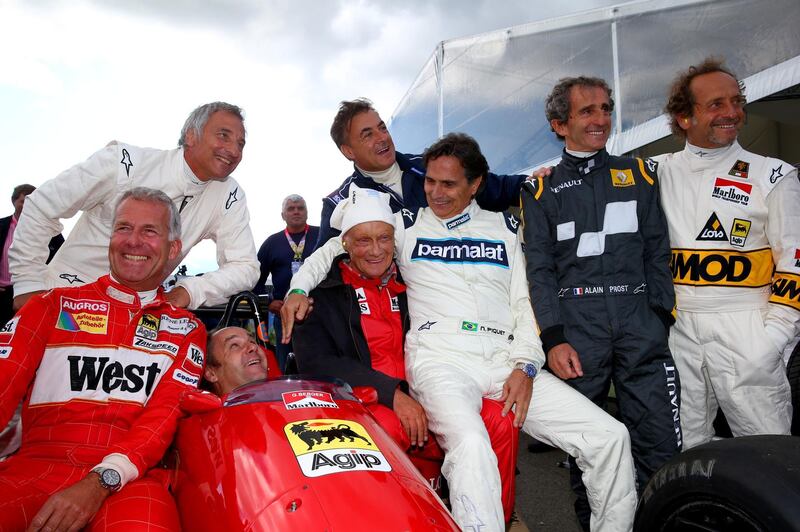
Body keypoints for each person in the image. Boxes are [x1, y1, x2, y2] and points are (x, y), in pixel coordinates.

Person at [284, 133, 637, 532]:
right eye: (430, 181)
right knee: (470, 446)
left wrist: (526, 367)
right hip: (442, 360)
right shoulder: (406, 226)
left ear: (476, 184)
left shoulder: (506, 227)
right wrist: (298, 288)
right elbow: (336, 247)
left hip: (507, 363)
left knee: (609, 436)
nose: (435, 192)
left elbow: (525, 305)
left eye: (449, 184)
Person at [290, 189, 521, 526]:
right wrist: (391, 394)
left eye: (384, 238)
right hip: (368, 403)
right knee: (384, 428)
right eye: (363, 241)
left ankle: (491, 521)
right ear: (346, 245)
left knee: (501, 419)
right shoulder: (320, 292)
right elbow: (316, 362)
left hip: (434, 385)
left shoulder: (417, 278)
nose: (376, 250)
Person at [520, 76, 681, 530]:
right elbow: (540, 271)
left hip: (640, 326)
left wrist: (659, 315)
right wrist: (553, 337)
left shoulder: (641, 174)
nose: (601, 118)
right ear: (559, 124)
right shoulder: (540, 190)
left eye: (606, 108)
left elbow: (657, 250)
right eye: (587, 111)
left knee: (660, 444)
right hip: (577, 335)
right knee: (589, 446)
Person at [0, 187, 207, 530]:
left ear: (173, 249)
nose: (133, 241)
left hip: (131, 479)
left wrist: (101, 480)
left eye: (149, 231)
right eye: (123, 228)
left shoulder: (187, 329)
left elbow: (160, 420)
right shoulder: (52, 305)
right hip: (36, 467)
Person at [655, 57, 800, 448]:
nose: (732, 113)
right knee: (685, 453)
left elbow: (796, 263)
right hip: (678, 328)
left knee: (769, 453)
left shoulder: (773, 175)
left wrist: (772, 340)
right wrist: (545, 178)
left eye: (736, 101)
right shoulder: (654, 173)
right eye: (716, 104)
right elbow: (592, 186)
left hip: (747, 326)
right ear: (684, 117)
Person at [9, 101, 259, 311]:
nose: (234, 150)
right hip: (64, 303)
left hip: (136, 318)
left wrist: (190, 290)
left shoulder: (230, 194)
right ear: (191, 135)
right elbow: (41, 206)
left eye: (241, 143)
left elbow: (245, 266)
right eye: (223, 135)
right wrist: (28, 285)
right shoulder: (123, 162)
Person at [316, 98, 528, 246]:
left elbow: (501, 189)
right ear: (348, 151)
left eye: (382, 128)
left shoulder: (430, 166)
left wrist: (542, 182)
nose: (382, 138)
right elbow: (326, 263)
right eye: (368, 135)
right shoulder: (339, 203)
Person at [254, 194, 319, 369]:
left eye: (301, 208)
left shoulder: (322, 237)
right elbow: (255, 281)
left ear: (307, 212)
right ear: (283, 215)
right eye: (291, 208)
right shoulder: (271, 243)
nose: (296, 212)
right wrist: (269, 303)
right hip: (284, 314)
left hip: (319, 315)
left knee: (318, 366)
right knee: (285, 367)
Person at [0, 184, 64, 327]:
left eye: (31, 201)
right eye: (23, 201)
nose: (26, 206)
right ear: (13, 201)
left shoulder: (52, 231)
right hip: (2, 293)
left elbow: (62, 256)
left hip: (33, 293)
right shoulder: (1, 225)